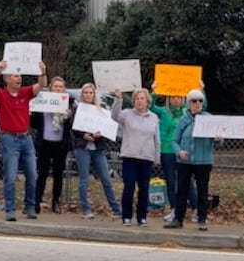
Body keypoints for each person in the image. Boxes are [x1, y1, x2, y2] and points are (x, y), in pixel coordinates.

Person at [0, 59, 47, 222]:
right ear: (7, 80)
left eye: (19, 75)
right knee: (10, 176)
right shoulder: (0, 95)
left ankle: (30, 206)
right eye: (14, 75)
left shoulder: (25, 92)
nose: (19, 78)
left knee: (32, 174)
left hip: (26, 138)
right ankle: (10, 209)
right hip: (9, 139)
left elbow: (41, 85)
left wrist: (42, 72)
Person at [163, 89, 221, 231]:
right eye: (194, 101)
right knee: (182, 190)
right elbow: (175, 141)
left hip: (203, 161)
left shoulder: (209, 118)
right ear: (189, 103)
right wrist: (179, 152)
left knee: (202, 190)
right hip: (185, 161)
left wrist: (218, 139)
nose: (197, 103)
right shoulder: (183, 120)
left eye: (200, 101)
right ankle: (178, 219)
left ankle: (202, 219)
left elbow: (219, 142)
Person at [150, 81, 203, 223]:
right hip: (168, 150)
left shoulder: (188, 112)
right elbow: (150, 106)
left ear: (183, 99)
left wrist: (201, 89)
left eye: (178, 97)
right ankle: (175, 209)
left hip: (184, 150)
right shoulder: (163, 111)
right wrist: (154, 92)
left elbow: (202, 105)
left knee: (188, 181)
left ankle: (196, 209)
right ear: (169, 99)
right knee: (171, 181)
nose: (175, 99)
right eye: (172, 97)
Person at [71, 83, 122, 219]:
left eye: (90, 92)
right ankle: (86, 209)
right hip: (83, 148)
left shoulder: (102, 110)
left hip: (98, 149)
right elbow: (74, 128)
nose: (88, 95)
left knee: (106, 178)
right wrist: (84, 135)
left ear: (94, 94)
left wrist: (100, 134)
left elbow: (107, 126)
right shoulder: (78, 109)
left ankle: (116, 208)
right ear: (82, 94)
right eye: (86, 93)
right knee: (84, 179)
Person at [111, 88, 160, 227]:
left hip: (146, 157)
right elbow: (114, 116)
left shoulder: (154, 117)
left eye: (142, 98)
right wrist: (118, 99)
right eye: (137, 98)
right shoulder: (127, 114)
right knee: (129, 187)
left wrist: (156, 157)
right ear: (134, 101)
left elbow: (157, 139)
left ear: (147, 101)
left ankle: (142, 217)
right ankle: (126, 216)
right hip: (129, 156)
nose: (140, 101)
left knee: (144, 188)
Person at [31, 76, 73, 214]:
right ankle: (36, 201)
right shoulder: (42, 101)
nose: (58, 89)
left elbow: (75, 124)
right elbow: (34, 124)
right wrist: (32, 114)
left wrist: (69, 116)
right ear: (50, 88)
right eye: (55, 86)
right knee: (42, 173)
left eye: (60, 86)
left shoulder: (68, 103)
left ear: (64, 89)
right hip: (44, 143)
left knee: (58, 175)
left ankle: (55, 201)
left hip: (60, 144)